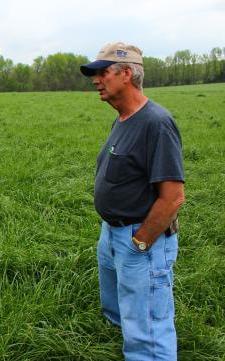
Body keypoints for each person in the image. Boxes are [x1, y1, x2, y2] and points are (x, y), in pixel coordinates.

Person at [80, 42, 185, 360]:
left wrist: (140, 243)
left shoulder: (156, 123)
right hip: (113, 234)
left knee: (149, 333)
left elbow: (173, 197)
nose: (96, 80)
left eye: (102, 72)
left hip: (141, 239)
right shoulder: (123, 119)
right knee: (123, 311)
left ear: (126, 73)